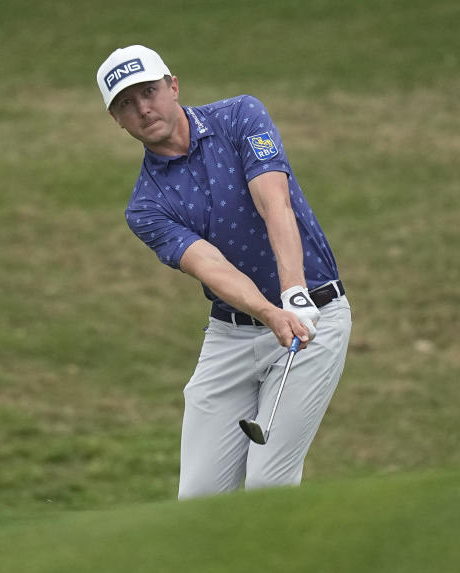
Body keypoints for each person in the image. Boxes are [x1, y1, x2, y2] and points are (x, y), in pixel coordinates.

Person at [95, 45, 352, 499]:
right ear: (117, 119)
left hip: (314, 315)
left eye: (149, 92)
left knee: (268, 483)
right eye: (126, 104)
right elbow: (212, 267)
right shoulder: (146, 206)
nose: (143, 109)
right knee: (197, 502)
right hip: (232, 335)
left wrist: (293, 293)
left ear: (173, 86)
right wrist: (271, 312)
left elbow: (275, 204)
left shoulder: (240, 117)